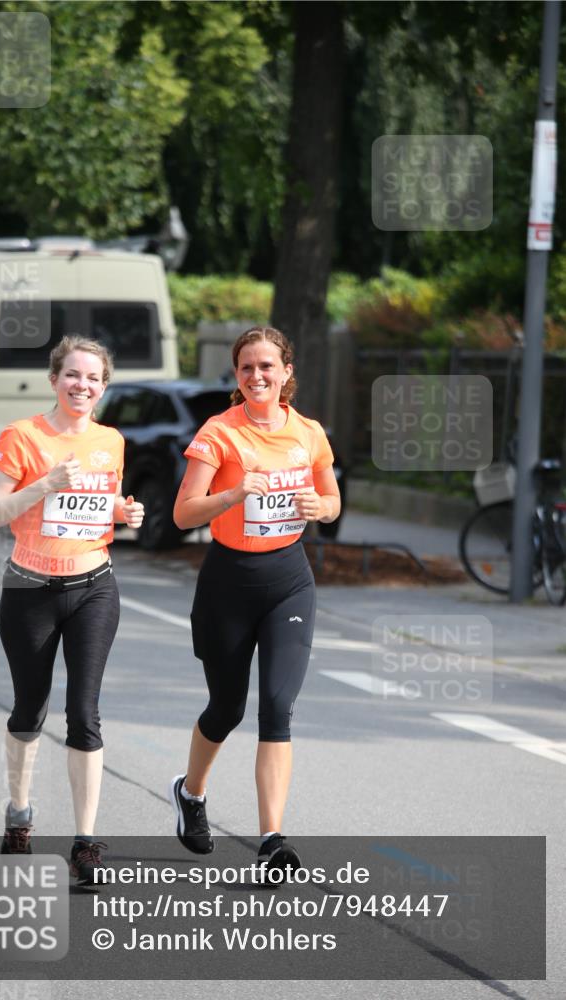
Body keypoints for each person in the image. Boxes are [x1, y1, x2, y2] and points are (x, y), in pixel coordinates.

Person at [170, 326, 340, 875]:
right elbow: (184, 513)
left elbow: (332, 499)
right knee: (227, 707)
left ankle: (272, 842)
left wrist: (322, 507)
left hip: (289, 577)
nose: (257, 376)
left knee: (277, 707)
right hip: (228, 581)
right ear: (236, 375)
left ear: (287, 371)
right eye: (246, 368)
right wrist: (235, 493)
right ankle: (192, 793)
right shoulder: (220, 433)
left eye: (267, 366)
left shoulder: (309, 432)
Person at [0, 335, 144, 885]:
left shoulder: (110, 440)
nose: (83, 386)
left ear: (104, 386)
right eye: (73, 375)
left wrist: (125, 511)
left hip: (94, 584)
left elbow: (101, 507)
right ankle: (20, 814)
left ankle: (84, 842)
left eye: (94, 378)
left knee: (85, 711)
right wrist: (45, 484)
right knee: (30, 711)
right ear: (55, 380)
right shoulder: (23, 437)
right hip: (29, 589)